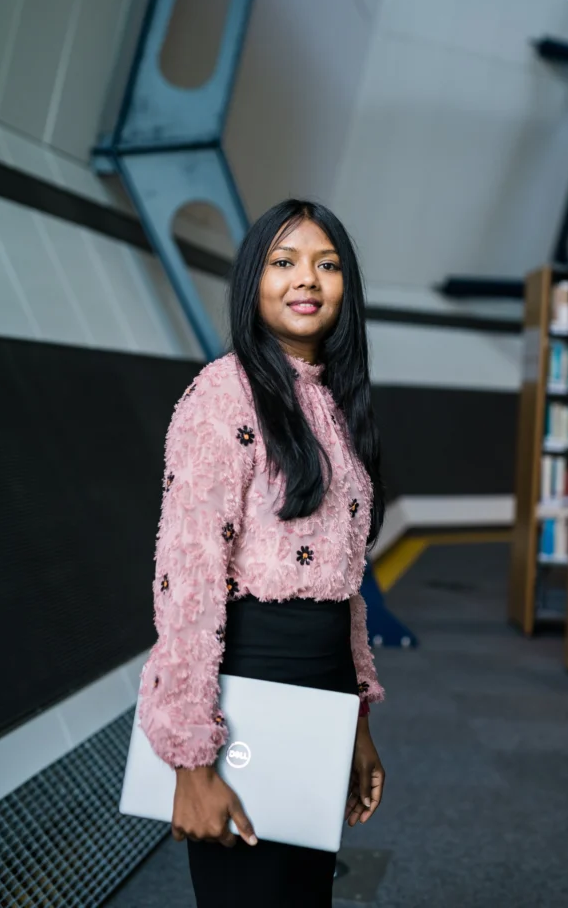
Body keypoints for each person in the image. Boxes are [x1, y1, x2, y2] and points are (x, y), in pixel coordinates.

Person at [139, 199, 386, 907]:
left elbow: (344, 580)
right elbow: (186, 580)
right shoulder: (222, 397)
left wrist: (356, 721)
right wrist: (190, 761)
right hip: (250, 687)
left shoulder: (336, 404)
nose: (305, 279)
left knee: (302, 897)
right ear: (253, 281)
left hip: (322, 687)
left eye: (326, 264)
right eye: (283, 262)